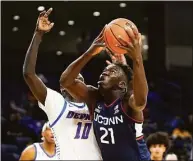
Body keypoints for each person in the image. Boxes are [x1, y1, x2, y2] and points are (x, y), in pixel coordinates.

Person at [60, 23, 149, 161]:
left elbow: (141, 100)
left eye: (111, 71)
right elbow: (66, 82)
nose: (104, 73)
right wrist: (90, 53)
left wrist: (137, 58)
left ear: (121, 84)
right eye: (104, 71)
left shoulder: (128, 103)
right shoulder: (94, 98)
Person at [23, 8, 102, 160]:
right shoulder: (57, 104)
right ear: (62, 87)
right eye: (70, 81)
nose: (74, 82)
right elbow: (29, 74)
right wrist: (38, 34)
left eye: (78, 80)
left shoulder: (94, 105)